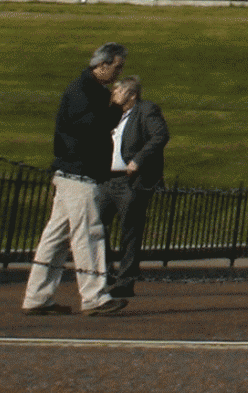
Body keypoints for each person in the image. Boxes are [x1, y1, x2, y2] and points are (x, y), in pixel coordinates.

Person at [23, 41, 128, 316]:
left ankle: (37, 297)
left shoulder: (87, 89)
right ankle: (94, 297)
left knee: (55, 238)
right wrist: (117, 108)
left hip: (71, 172)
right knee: (89, 234)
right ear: (102, 65)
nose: (118, 73)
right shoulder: (83, 91)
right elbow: (92, 128)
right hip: (79, 173)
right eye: (116, 67)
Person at [101, 75, 168, 300]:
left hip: (131, 181)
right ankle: (105, 273)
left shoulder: (145, 110)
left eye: (117, 92)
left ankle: (125, 281)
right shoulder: (113, 114)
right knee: (96, 224)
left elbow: (160, 136)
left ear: (131, 94)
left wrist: (139, 160)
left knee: (130, 231)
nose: (113, 95)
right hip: (108, 179)